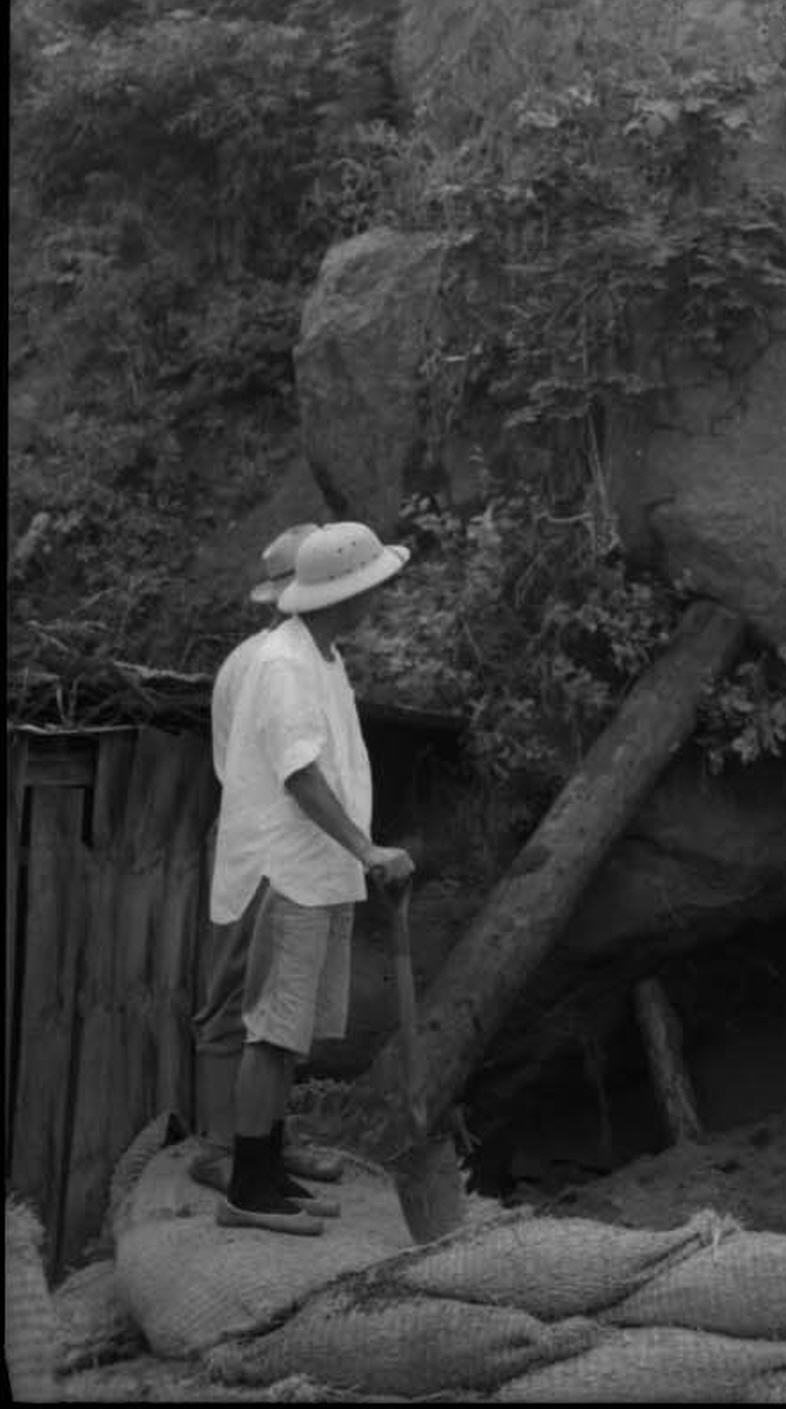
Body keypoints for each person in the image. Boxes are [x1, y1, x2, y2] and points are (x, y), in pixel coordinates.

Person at [208, 521, 415, 1235]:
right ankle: (247, 1184)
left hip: (322, 870)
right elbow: (299, 775)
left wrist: (359, 853)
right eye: (373, 587)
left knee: (290, 1034)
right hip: (293, 868)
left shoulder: (324, 657)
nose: (380, 598)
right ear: (343, 593)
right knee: (270, 1030)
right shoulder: (284, 664)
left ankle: (267, 1172)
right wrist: (368, 848)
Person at [191, 524, 344, 1204]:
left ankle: (267, 1140)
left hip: (291, 837)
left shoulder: (316, 656)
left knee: (281, 1006)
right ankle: (222, 1147)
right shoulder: (263, 661)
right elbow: (279, 769)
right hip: (259, 835)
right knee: (238, 998)